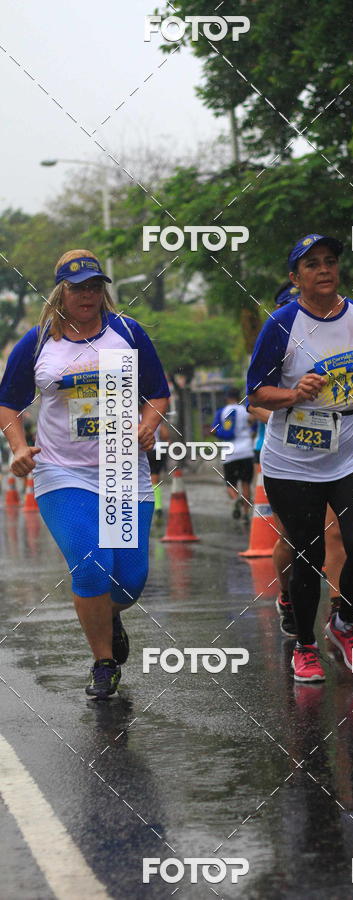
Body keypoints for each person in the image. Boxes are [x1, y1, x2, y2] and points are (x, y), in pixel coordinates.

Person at [0, 249, 170, 699]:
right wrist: (18, 448)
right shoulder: (37, 344)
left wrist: (148, 426)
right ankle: (103, 661)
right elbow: (8, 404)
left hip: (122, 470)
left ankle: (107, 614)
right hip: (62, 472)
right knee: (91, 565)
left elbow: (156, 392)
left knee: (130, 581)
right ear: (61, 291)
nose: (88, 295)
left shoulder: (127, 334)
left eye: (95, 286)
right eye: (77, 287)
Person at [247, 233, 353, 682]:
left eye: (330, 261)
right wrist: (293, 393)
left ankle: (343, 622)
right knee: (307, 554)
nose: (324, 269)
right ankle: (305, 646)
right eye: (312, 264)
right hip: (293, 461)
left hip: (351, 451)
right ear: (295, 277)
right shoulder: (281, 324)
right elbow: (256, 391)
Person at [213, 387, 255, 521]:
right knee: (246, 483)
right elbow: (253, 429)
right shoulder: (246, 410)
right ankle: (246, 513)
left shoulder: (222, 412)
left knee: (230, 484)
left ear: (227, 398)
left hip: (229, 453)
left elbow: (214, 430)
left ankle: (236, 499)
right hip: (246, 451)